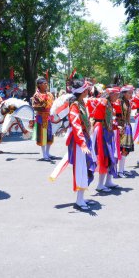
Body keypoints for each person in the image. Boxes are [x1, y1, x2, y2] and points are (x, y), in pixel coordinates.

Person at [49, 79, 96, 211]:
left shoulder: (81, 103)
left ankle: (81, 197)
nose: (88, 91)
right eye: (86, 89)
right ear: (82, 91)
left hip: (84, 139)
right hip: (78, 142)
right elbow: (76, 126)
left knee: (86, 168)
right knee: (81, 169)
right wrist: (82, 144)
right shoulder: (75, 105)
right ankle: (79, 200)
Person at [86, 88, 118, 192]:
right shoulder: (103, 102)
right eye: (116, 94)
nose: (118, 97)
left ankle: (107, 181)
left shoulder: (108, 103)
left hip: (106, 130)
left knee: (110, 156)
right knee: (104, 156)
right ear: (110, 94)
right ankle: (100, 184)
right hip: (102, 131)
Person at [113, 85, 135, 178]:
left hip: (127, 127)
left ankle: (121, 169)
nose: (131, 95)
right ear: (124, 93)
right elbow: (114, 115)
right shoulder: (118, 102)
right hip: (121, 127)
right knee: (121, 149)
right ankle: (118, 171)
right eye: (129, 93)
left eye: (131, 93)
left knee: (125, 150)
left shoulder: (127, 102)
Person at [31, 77, 55, 161]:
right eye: (44, 83)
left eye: (46, 83)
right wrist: (43, 106)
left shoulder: (50, 94)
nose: (46, 85)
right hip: (41, 117)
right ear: (39, 85)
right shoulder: (36, 95)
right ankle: (44, 154)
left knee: (50, 135)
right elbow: (34, 107)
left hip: (49, 117)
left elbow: (53, 105)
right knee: (42, 135)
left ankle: (48, 153)